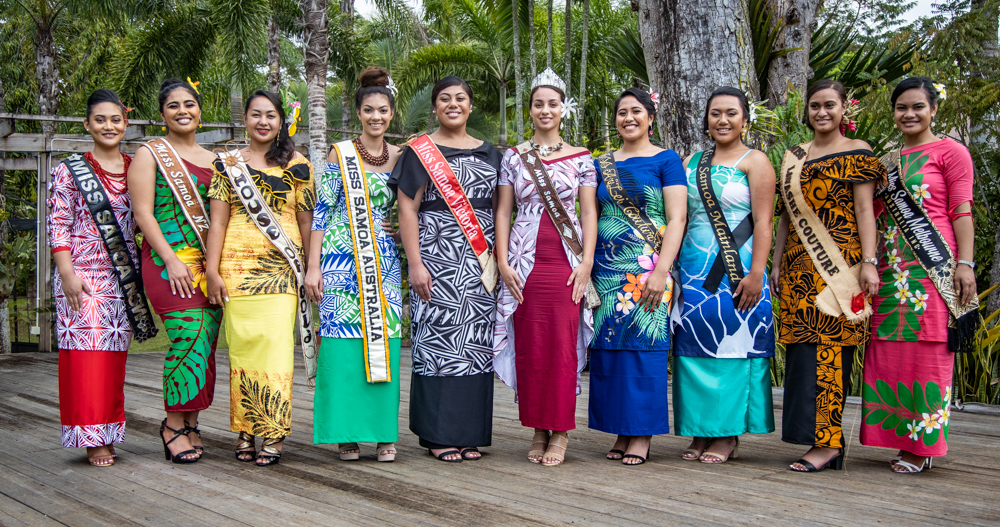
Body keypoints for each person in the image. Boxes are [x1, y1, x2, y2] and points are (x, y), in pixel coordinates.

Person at [860, 77, 976, 474]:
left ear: (933, 109)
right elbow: (871, 215)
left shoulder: (952, 152)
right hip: (892, 269)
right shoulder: (886, 162)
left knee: (928, 351)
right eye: (901, 108)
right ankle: (895, 437)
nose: (909, 114)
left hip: (935, 268)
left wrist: (966, 263)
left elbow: (962, 210)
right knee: (889, 349)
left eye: (917, 107)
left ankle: (922, 444)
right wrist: (869, 261)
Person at [771, 79, 884, 473]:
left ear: (843, 109)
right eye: (815, 106)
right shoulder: (793, 156)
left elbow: (866, 211)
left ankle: (829, 443)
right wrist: (776, 261)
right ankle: (810, 437)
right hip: (799, 267)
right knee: (803, 354)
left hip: (841, 267)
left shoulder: (859, 152)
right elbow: (786, 213)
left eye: (829, 105)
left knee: (833, 352)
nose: (821, 112)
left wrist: (869, 261)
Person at [388, 76, 502, 463]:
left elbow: (503, 211)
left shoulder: (492, 154)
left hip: (480, 268)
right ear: (435, 107)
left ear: (471, 105)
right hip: (435, 263)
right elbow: (407, 209)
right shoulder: (421, 151)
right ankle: (438, 434)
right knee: (438, 347)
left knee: (474, 348)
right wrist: (415, 265)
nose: (453, 104)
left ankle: (468, 433)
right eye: (444, 99)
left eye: (461, 98)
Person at [494, 68, 598, 467]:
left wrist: (586, 260)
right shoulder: (514, 157)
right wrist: (503, 260)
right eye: (538, 104)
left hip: (566, 257)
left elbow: (588, 210)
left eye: (552, 103)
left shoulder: (582, 158)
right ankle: (538, 427)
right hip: (522, 256)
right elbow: (504, 211)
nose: (545, 110)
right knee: (532, 342)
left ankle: (561, 431)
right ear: (530, 109)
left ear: (563, 108)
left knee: (561, 342)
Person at [205, 90, 315, 467]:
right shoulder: (227, 164)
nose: (263, 121)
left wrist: (311, 266)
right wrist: (211, 269)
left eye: (270, 115)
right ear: (246, 120)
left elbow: (306, 222)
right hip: (235, 269)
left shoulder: (298, 165)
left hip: (281, 269)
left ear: (281, 121)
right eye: (256, 114)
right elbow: (217, 221)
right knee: (243, 351)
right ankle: (245, 428)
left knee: (276, 350)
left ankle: (274, 430)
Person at [50, 89, 157, 467]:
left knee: (112, 358)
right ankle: (92, 438)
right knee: (85, 358)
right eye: (100, 120)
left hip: (123, 279)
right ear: (87, 124)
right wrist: (66, 274)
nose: (109, 126)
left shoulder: (136, 166)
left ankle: (108, 430)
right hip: (82, 276)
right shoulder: (69, 169)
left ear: (125, 123)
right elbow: (58, 225)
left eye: (116, 119)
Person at [306, 67, 404, 463]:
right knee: (342, 342)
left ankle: (382, 434)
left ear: (391, 114)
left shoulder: (401, 156)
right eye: (368, 110)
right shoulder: (339, 152)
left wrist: (397, 228)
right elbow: (322, 210)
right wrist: (313, 267)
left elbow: (411, 209)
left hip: (382, 260)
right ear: (359, 113)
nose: (376, 117)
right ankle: (346, 433)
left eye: (382, 110)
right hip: (338, 255)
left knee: (385, 341)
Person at [674, 87, 776, 464]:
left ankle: (727, 434)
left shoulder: (756, 161)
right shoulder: (692, 161)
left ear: (744, 119)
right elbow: (679, 217)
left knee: (733, 346)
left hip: (741, 268)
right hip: (695, 268)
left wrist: (756, 273)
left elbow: (764, 221)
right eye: (715, 113)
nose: (722, 120)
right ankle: (701, 430)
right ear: (707, 119)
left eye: (731, 113)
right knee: (696, 346)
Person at [588, 87, 687, 466]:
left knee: (644, 346)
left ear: (650, 116)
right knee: (609, 347)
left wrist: (662, 270)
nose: (628, 118)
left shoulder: (666, 160)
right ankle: (620, 429)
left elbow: (677, 218)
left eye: (636, 112)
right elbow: (592, 217)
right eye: (621, 113)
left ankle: (641, 435)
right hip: (608, 268)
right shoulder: (601, 164)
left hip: (649, 267)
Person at [129, 78, 223, 464]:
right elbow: (143, 212)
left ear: (200, 110)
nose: (183, 111)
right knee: (188, 336)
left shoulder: (215, 159)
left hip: (206, 266)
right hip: (167, 263)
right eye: (173, 106)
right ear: (162, 114)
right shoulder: (150, 154)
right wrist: (169, 258)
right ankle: (172, 425)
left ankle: (192, 423)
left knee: (208, 343)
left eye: (189, 104)